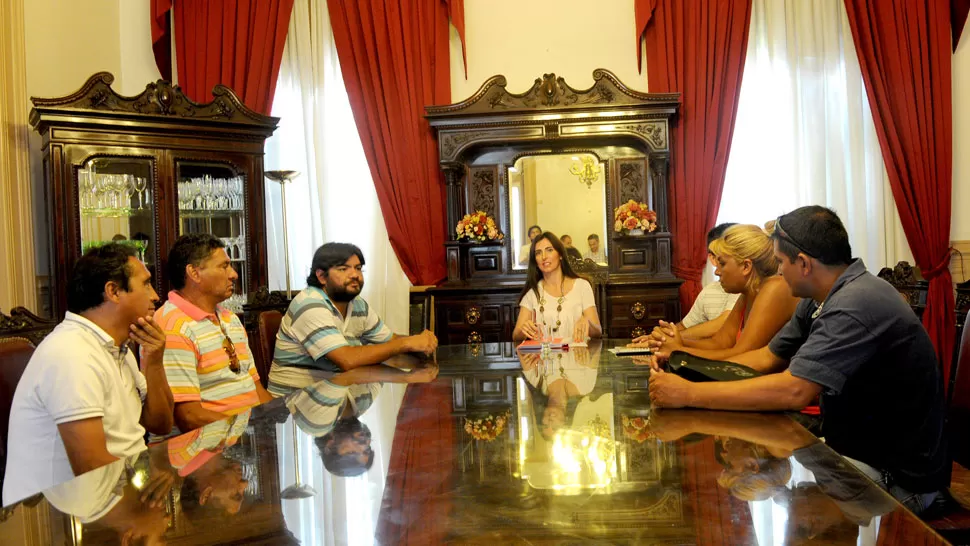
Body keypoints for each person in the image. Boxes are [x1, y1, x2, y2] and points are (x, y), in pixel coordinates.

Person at [648, 206, 950, 512]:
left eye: (781, 262)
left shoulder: (854, 303)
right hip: (849, 451)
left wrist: (689, 394)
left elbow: (794, 391)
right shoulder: (821, 297)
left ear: (803, 263)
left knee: (765, 511)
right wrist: (686, 371)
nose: (777, 271)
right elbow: (766, 358)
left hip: (895, 480)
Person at [3, 244, 174, 505]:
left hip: (121, 487)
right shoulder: (71, 353)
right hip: (66, 513)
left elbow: (160, 425)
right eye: (146, 284)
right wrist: (143, 510)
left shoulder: (119, 346)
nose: (156, 296)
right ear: (113, 291)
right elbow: (92, 467)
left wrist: (154, 362)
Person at [268, 243, 438, 398]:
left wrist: (420, 341)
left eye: (358, 268)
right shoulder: (310, 305)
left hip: (334, 394)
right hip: (293, 404)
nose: (355, 275)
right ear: (321, 276)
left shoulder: (357, 305)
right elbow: (346, 359)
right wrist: (406, 348)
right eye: (343, 269)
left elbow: (389, 340)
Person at [154, 234, 273, 439]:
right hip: (204, 450)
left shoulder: (230, 319)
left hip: (243, 438)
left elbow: (256, 389)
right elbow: (189, 417)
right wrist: (246, 433)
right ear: (194, 273)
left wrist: (276, 421)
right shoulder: (173, 326)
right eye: (224, 266)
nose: (234, 274)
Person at [637, 224, 798, 361]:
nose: (716, 272)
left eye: (722, 263)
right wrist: (673, 340)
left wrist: (677, 350)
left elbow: (740, 356)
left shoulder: (774, 288)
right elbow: (719, 342)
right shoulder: (748, 292)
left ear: (746, 267)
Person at [637, 223, 740, 340]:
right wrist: (657, 338)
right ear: (713, 258)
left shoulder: (744, 288)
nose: (716, 272)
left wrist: (672, 339)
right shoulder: (710, 291)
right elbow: (684, 326)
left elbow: (723, 324)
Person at [512, 232, 602, 342]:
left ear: (560, 255)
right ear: (535, 261)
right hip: (544, 357)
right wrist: (524, 329)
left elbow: (598, 331)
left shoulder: (582, 286)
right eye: (538, 253)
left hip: (578, 356)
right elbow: (516, 336)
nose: (544, 257)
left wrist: (587, 324)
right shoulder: (532, 293)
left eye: (549, 250)